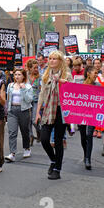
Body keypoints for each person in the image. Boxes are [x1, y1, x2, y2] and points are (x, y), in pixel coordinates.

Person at [35, 50, 72, 180]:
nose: (51, 61)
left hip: (61, 110)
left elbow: (71, 89)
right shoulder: (45, 75)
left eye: (54, 59)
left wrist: (60, 80)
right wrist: (38, 112)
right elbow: (42, 94)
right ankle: (53, 160)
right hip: (48, 110)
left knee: (58, 141)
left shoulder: (66, 74)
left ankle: (57, 169)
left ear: (60, 61)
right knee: (44, 139)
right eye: (50, 58)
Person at [5, 68, 33, 162]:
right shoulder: (10, 86)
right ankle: (12, 153)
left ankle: (26, 148)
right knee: (12, 132)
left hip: (23, 110)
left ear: (23, 76)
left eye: (19, 74)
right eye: (16, 74)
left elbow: (29, 100)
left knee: (25, 131)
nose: (17, 76)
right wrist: (7, 110)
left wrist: (23, 89)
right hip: (12, 111)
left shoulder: (28, 87)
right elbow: (8, 99)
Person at [78, 66, 100, 170]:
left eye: (97, 73)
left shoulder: (98, 85)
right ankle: (85, 153)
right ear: (88, 74)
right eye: (95, 73)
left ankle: (88, 159)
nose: (96, 75)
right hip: (81, 114)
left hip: (92, 114)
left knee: (89, 135)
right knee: (83, 137)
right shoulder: (79, 84)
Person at [26, 59, 41, 145]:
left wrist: (42, 103)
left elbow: (42, 90)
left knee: (34, 120)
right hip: (27, 101)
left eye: (37, 67)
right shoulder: (26, 77)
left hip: (36, 101)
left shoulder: (40, 77)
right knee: (28, 120)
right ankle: (31, 136)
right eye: (34, 68)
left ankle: (39, 132)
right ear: (29, 68)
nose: (36, 69)